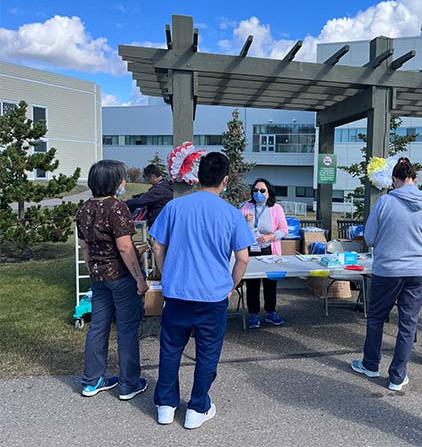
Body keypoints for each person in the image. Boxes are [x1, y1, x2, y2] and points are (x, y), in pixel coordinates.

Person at [150, 152, 254, 429]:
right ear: (226, 180)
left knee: (170, 349)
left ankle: (165, 405)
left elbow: (157, 246)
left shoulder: (174, 207)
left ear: (197, 177)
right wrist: (232, 285)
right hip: (213, 295)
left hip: (177, 292)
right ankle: (197, 407)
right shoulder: (232, 214)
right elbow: (243, 258)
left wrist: (166, 273)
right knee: (207, 353)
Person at [351, 157, 422, 391]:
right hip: (418, 270)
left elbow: (369, 238)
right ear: (416, 179)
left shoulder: (385, 203)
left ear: (394, 180)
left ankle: (370, 364)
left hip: (387, 269)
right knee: (408, 324)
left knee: (376, 318)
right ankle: (397, 377)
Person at [76, 160, 148, 400]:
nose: (124, 183)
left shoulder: (84, 208)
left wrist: (92, 269)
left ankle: (91, 380)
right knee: (127, 329)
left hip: (98, 276)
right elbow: (125, 247)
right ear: (113, 182)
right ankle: (129, 383)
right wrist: (139, 278)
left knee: (98, 327)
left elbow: (84, 246)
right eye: (122, 179)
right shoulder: (117, 207)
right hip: (121, 275)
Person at [240, 178, 289, 329]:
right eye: (256, 191)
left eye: (262, 191)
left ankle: (271, 312)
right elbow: (235, 226)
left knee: (270, 283)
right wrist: (243, 219)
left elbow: (284, 230)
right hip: (251, 250)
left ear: (268, 193)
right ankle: (253, 314)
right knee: (252, 283)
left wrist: (270, 237)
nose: (259, 194)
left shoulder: (276, 208)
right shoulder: (246, 207)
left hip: (269, 249)